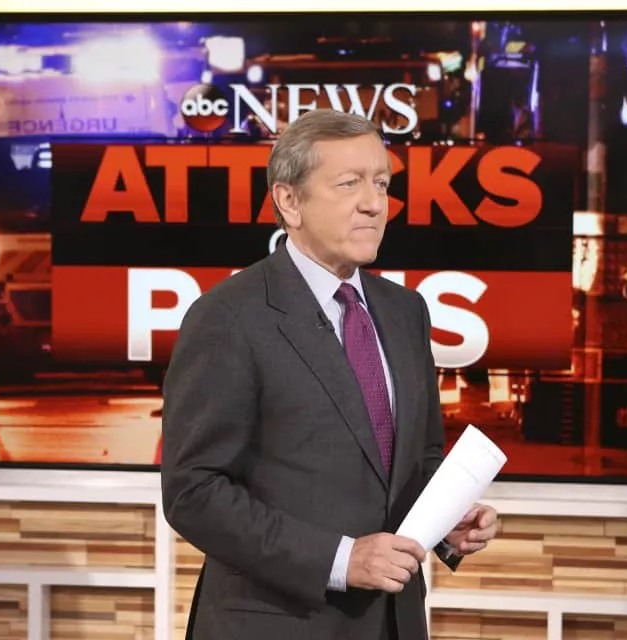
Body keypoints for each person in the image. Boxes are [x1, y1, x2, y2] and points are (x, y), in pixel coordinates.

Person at [161, 108, 499, 640]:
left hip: (394, 624)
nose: (374, 203)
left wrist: (443, 523)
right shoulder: (228, 316)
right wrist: (341, 560)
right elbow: (194, 492)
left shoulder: (405, 311)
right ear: (289, 201)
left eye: (381, 183)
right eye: (349, 183)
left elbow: (419, 457)